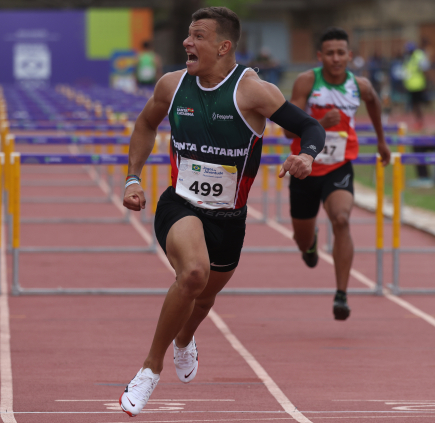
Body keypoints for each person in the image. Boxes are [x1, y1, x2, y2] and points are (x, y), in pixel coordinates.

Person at [118, 7, 325, 417]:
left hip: (230, 217)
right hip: (180, 204)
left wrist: (308, 156)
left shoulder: (253, 91)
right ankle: (149, 368)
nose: (186, 43)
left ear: (223, 46)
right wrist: (133, 178)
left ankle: (183, 341)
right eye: (187, 35)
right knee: (193, 274)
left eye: (197, 37)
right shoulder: (172, 85)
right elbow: (144, 125)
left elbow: (310, 128)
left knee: (205, 295)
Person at [284, 27, 391, 321]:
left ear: (350, 56)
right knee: (302, 239)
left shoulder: (360, 85)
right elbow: (286, 129)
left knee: (342, 219)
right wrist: (318, 121)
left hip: (339, 165)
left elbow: (374, 102)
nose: (335, 58)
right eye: (329, 53)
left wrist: (381, 140)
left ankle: (342, 294)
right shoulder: (307, 81)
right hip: (305, 167)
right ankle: (310, 244)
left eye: (341, 53)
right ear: (320, 56)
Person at [402, 41, 430, 132]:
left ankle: (420, 122)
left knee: (417, 105)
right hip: (411, 86)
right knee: (414, 105)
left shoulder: (419, 56)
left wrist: (426, 83)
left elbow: (425, 69)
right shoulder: (408, 58)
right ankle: (418, 121)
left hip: (418, 85)